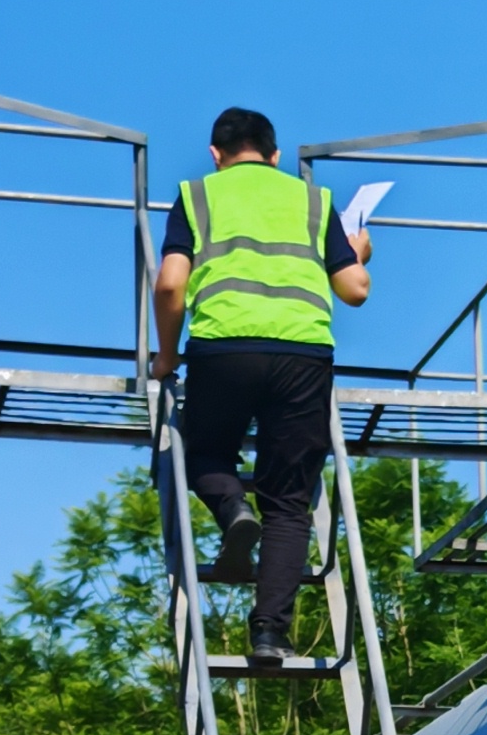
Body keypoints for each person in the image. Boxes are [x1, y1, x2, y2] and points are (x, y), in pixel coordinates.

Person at [149, 106, 368, 666]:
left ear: (216, 155)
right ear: (274, 154)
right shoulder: (315, 201)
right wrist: (357, 252)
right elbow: (355, 291)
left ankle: (231, 511)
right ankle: (270, 633)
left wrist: (168, 357)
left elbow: (171, 284)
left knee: (203, 452)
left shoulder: (198, 195)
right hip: (303, 352)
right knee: (290, 502)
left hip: (223, 347)